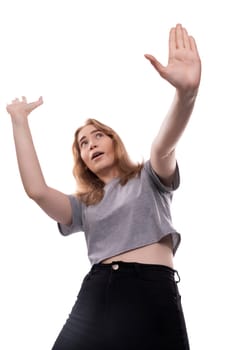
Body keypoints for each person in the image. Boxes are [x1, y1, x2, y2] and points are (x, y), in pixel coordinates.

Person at [6, 23, 201, 350]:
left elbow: (163, 146)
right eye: (83, 142)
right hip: (98, 295)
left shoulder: (149, 177)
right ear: (81, 158)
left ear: (114, 141)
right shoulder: (84, 205)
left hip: (152, 293)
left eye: (98, 135)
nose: (91, 144)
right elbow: (37, 191)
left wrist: (186, 93)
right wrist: (19, 121)